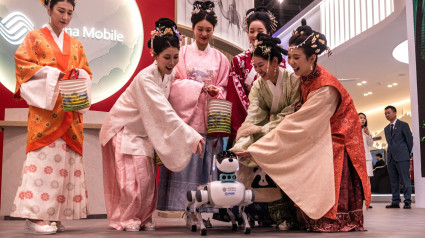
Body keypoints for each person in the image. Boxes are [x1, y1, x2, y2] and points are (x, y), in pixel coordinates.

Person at [235, 19, 371, 232]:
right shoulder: (302, 78)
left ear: (313, 58)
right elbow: (255, 116)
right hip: (302, 129)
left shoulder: (324, 88)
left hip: (335, 137)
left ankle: (334, 216)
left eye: (296, 58)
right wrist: (246, 139)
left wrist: (257, 147)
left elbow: (297, 122)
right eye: (290, 57)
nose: (291, 62)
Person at [99, 18, 204, 231]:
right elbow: (164, 112)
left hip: (142, 132)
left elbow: (178, 85)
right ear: (154, 56)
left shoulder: (169, 73)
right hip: (125, 129)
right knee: (132, 179)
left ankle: (143, 217)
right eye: (167, 57)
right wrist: (191, 135)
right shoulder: (145, 79)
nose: (172, 62)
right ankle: (126, 218)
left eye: (176, 57)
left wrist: (201, 88)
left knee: (146, 180)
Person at [10, 0, 92, 234]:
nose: (65, 17)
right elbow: (23, 67)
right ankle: (34, 217)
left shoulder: (76, 44)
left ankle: (54, 214)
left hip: (70, 111)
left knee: (65, 165)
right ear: (48, 8)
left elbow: (86, 72)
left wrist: (78, 74)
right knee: (43, 162)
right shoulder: (34, 38)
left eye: (70, 12)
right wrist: (54, 74)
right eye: (60, 11)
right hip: (45, 115)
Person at [214, 7, 289, 227]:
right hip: (248, 120)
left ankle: (275, 212)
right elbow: (236, 92)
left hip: (274, 121)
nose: (255, 35)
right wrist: (250, 119)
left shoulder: (279, 60)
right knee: (245, 165)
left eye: (260, 30)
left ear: (268, 32)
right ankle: (241, 211)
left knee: (272, 167)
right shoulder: (238, 61)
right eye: (251, 30)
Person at [157, 1, 230, 217]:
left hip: (210, 118)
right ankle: (183, 207)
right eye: (200, 29)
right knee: (188, 160)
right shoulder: (181, 53)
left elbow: (225, 87)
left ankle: (206, 210)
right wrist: (198, 87)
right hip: (188, 119)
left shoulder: (220, 58)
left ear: (213, 31)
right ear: (193, 29)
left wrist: (216, 91)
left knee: (207, 161)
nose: (204, 34)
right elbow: (174, 84)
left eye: (208, 30)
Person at [384, 105, 413, 209]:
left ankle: (407, 201)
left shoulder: (403, 125)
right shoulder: (386, 129)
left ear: (395, 113)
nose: (387, 115)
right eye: (385, 113)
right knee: (393, 181)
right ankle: (395, 201)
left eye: (389, 112)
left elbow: (409, 141)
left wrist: (406, 153)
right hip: (391, 158)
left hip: (402, 157)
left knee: (405, 180)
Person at [359, 112, 374, 208]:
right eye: (360, 117)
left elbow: (370, 144)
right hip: (356, 158)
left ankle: (368, 201)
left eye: (364, 118)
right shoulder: (351, 130)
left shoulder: (366, 130)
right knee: (357, 180)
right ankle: (358, 201)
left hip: (367, 158)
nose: (362, 119)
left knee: (367, 181)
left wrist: (368, 134)